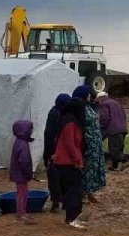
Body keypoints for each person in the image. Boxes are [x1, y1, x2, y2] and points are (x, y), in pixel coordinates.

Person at [53, 97, 86, 228]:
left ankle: (72, 217)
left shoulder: (69, 121)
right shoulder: (70, 124)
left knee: (73, 190)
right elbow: (70, 144)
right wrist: (78, 160)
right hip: (67, 162)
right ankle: (71, 218)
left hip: (68, 161)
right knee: (73, 190)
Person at [73, 85, 106, 202]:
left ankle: (90, 192)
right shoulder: (79, 109)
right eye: (87, 94)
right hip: (88, 144)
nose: (89, 96)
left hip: (95, 144)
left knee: (93, 168)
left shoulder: (88, 106)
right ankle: (83, 193)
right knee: (86, 169)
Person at [43, 93, 71, 212]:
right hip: (60, 151)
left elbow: (48, 134)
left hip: (56, 151)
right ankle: (61, 202)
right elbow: (50, 135)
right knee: (61, 177)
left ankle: (57, 203)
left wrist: (47, 155)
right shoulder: (63, 114)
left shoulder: (55, 113)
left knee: (56, 177)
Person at [9, 120, 34, 223]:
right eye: (31, 129)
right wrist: (28, 173)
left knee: (23, 193)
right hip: (21, 174)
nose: (32, 131)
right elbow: (24, 161)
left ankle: (23, 212)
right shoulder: (22, 144)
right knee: (22, 194)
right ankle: (21, 214)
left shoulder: (20, 141)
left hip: (20, 173)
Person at [97, 92, 128, 170]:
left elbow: (105, 118)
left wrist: (100, 127)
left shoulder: (104, 104)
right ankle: (115, 166)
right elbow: (124, 115)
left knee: (114, 150)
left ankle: (124, 162)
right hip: (123, 128)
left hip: (114, 129)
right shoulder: (116, 103)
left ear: (100, 98)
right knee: (119, 148)